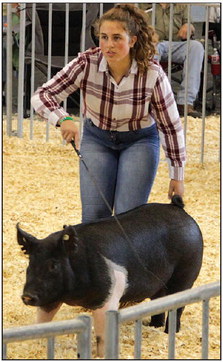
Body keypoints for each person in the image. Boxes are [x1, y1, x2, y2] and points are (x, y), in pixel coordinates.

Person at [31, 4, 186, 224]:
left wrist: (177, 176)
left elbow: (170, 127)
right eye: (103, 37)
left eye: (116, 38)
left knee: (127, 218)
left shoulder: (152, 73)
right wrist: (62, 118)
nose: (108, 45)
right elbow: (43, 95)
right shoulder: (86, 63)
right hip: (97, 139)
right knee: (94, 219)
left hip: (139, 141)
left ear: (132, 40)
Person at [139, 3, 204, 118]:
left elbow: (189, 23)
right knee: (152, 49)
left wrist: (188, 26)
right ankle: (151, 101)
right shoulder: (141, 4)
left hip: (175, 44)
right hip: (152, 43)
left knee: (196, 47)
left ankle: (185, 103)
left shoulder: (182, 4)